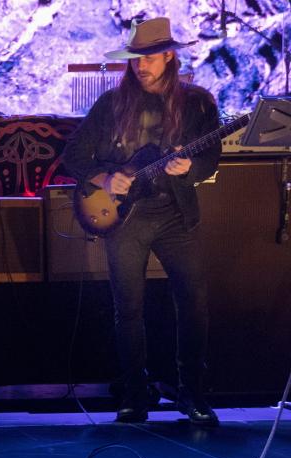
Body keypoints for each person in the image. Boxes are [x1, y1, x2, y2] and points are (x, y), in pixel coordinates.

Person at [63, 18, 221, 426]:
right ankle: (134, 395)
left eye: (148, 57)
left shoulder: (198, 104)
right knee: (127, 309)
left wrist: (189, 168)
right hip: (126, 220)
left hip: (174, 215)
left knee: (194, 303)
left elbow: (210, 159)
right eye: (135, 59)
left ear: (169, 55)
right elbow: (73, 156)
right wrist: (105, 177)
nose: (140, 66)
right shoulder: (111, 106)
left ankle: (193, 394)